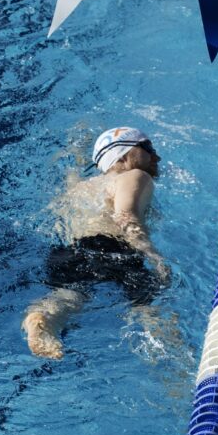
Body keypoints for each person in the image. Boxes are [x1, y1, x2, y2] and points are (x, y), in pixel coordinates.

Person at [22, 127, 172, 360]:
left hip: (68, 251)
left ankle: (44, 319)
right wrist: (153, 255)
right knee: (151, 304)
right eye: (147, 147)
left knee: (69, 296)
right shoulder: (134, 176)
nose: (156, 157)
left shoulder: (80, 189)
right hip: (113, 247)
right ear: (123, 155)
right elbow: (126, 215)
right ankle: (172, 361)